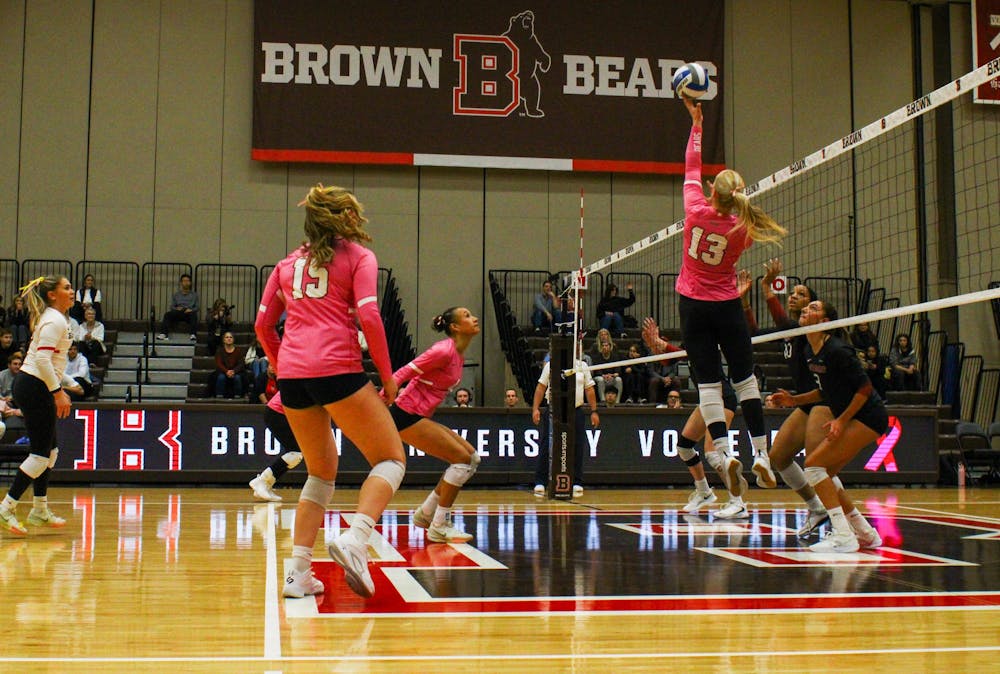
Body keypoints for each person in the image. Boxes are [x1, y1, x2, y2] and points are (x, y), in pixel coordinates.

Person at [255, 183, 404, 600]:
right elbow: (371, 316)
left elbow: (262, 327)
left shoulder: (286, 265)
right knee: (391, 458)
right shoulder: (359, 258)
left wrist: (282, 363)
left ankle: (298, 572)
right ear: (345, 218)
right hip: (337, 368)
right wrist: (387, 375)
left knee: (320, 471)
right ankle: (356, 539)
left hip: (295, 377)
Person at [675, 94, 786, 501]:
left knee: (709, 388)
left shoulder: (694, 209)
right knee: (745, 382)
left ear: (711, 191)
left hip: (693, 304)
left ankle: (723, 454)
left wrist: (697, 124)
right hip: (726, 305)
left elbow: (690, 164)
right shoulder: (744, 228)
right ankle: (760, 454)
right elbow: (734, 206)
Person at [771, 300, 886, 553]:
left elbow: (865, 388)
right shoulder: (810, 351)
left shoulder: (838, 350)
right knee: (826, 476)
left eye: (813, 308)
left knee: (813, 467)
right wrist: (794, 400)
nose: (805, 310)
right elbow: (823, 391)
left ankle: (844, 536)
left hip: (869, 416)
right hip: (854, 415)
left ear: (824, 323)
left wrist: (841, 421)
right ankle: (866, 533)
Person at [740, 261, 829, 535]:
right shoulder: (790, 331)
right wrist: (744, 300)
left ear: (813, 309)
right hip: (806, 403)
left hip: (825, 402)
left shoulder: (806, 330)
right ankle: (817, 509)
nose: (793, 296)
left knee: (818, 465)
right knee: (778, 457)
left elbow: (781, 321)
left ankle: (841, 524)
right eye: (793, 293)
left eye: (801, 295)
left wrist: (766, 287)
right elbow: (754, 332)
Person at [393, 307, 482, 543]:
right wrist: (384, 395)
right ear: (454, 327)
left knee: (472, 458)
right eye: (467, 315)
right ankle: (439, 525)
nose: (474, 318)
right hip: (405, 414)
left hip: (419, 415)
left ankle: (426, 513)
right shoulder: (442, 350)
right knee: (461, 461)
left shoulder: (458, 355)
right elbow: (403, 372)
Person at [644, 317, 748, 518]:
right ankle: (704, 492)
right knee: (684, 446)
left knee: (713, 452)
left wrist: (662, 344)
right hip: (707, 400)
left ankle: (738, 503)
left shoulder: (710, 339)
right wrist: (654, 347)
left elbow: (691, 354)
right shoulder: (690, 340)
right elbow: (669, 359)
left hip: (722, 397)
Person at [0, 276, 75, 536]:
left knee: (50, 453)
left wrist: (68, 381)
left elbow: (48, 360)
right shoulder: (54, 320)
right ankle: (6, 508)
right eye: (66, 287)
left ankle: (39, 509)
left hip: (36, 384)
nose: (72, 290)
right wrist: (58, 392)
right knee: (41, 454)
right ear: (53, 295)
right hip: (35, 387)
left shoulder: (57, 319)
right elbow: (41, 359)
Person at [531, 341, 600, 498]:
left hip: (575, 409)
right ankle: (540, 481)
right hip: (554, 410)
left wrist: (594, 411)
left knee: (577, 445)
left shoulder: (582, 366)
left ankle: (576, 481)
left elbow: (589, 389)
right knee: (547, 444)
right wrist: (535, 408)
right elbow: (541, 387)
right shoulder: (551, 365)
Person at [248, 392, 304, 503]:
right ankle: (262, 481)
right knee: (295, 453)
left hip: (279, 412)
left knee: (295, 454)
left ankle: (265, 484)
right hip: (277, 413)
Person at [157, 273, 199, 341]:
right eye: (184, 281)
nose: (186, 283)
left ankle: (193, 334)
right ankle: (163, 334)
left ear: (190, 283)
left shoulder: (194, 295)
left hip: (189, 312)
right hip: (178, 311)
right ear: (181, 283)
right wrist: (176, 308)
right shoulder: (176, 295)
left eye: (187, 281)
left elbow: (197, 307)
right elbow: (172, 306)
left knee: (194, 315)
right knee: (167, 314)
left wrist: (191, 310)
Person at [212, 331, 245, 399]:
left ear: (233, 339)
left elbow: (241, 364)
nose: (229, 339)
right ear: (223, 340)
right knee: (221, 377)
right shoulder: (219, 351)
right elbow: (219, 363)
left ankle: (238, 397)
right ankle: (219, 396)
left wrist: (234, 371)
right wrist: (226, 371)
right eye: (227, 337)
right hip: (223, 371)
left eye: (231, 337)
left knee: (237, 378)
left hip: (236, 372)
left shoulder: (238, 351)